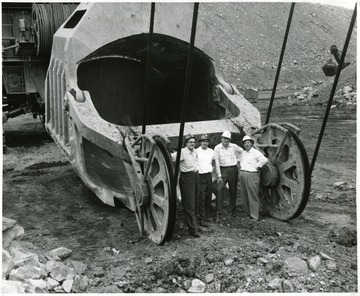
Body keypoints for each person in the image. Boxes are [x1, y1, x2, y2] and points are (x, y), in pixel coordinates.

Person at [171, 134, 201, 238]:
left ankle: (195, 225)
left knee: (196, 202)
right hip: (186, 178)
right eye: (190, 142)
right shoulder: (181, 153)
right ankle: (193, 230)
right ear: (186, 143)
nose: (192, 143)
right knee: (189, 205)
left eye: (194, 142)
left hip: (195, 177)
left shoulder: (195, 151)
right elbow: (170, 158)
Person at [214, 131, 243, 221]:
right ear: (221, 139)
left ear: (229, 140)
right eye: (224, 138)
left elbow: (241, 151)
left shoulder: (234, 146)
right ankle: (219, 211)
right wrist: (219, 175)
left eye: (228, 139)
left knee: (233, 190)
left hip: (233, 169)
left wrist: (239, 160)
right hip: (223, 170)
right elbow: (217, 162)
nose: (226, 140)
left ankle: (232, 210)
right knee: (219, 189)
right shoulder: (217, 148)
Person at [239, 135, 268, 221]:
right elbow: (241, 161)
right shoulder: (243, 153)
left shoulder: (256, 152)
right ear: (243, 144)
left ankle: (254, 216)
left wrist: (256, 166)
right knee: (244, 195)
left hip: (252, 175)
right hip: (243, 174)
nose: (247, 144)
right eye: (245, 143)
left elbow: (264, 160)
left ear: (251, 143)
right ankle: (248, 213)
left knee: (252, 195)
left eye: (248, 142)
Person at [196, 134, 215, 227]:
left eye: (206, 141)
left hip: (208, 175)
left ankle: (207, 215)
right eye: (203, 141)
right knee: (202, 197)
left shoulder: (211, 151)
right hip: (200, 176)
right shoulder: (196, 151)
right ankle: (201, 218)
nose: (205, 143)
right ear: (200, 142)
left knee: (208, 196)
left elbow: (215, 160)